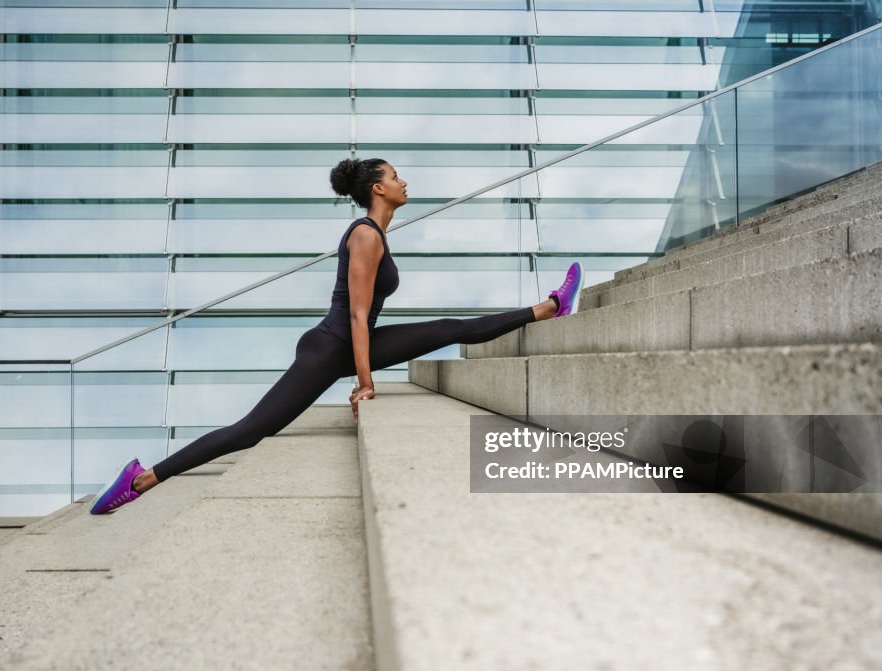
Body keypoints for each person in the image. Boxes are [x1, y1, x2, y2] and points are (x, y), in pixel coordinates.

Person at [90, 158, 584, 514]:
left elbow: (363, 320)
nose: (404, 181)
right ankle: (142, 478)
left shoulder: (378, 233)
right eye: (394, 177)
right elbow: (357, 314)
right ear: (376, 189)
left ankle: (550, 308)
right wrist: (366, 382)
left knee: (446, 329)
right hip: (330, 348)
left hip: (347, 342)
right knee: (251, 429)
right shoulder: (365, 234)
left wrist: (364, 369)